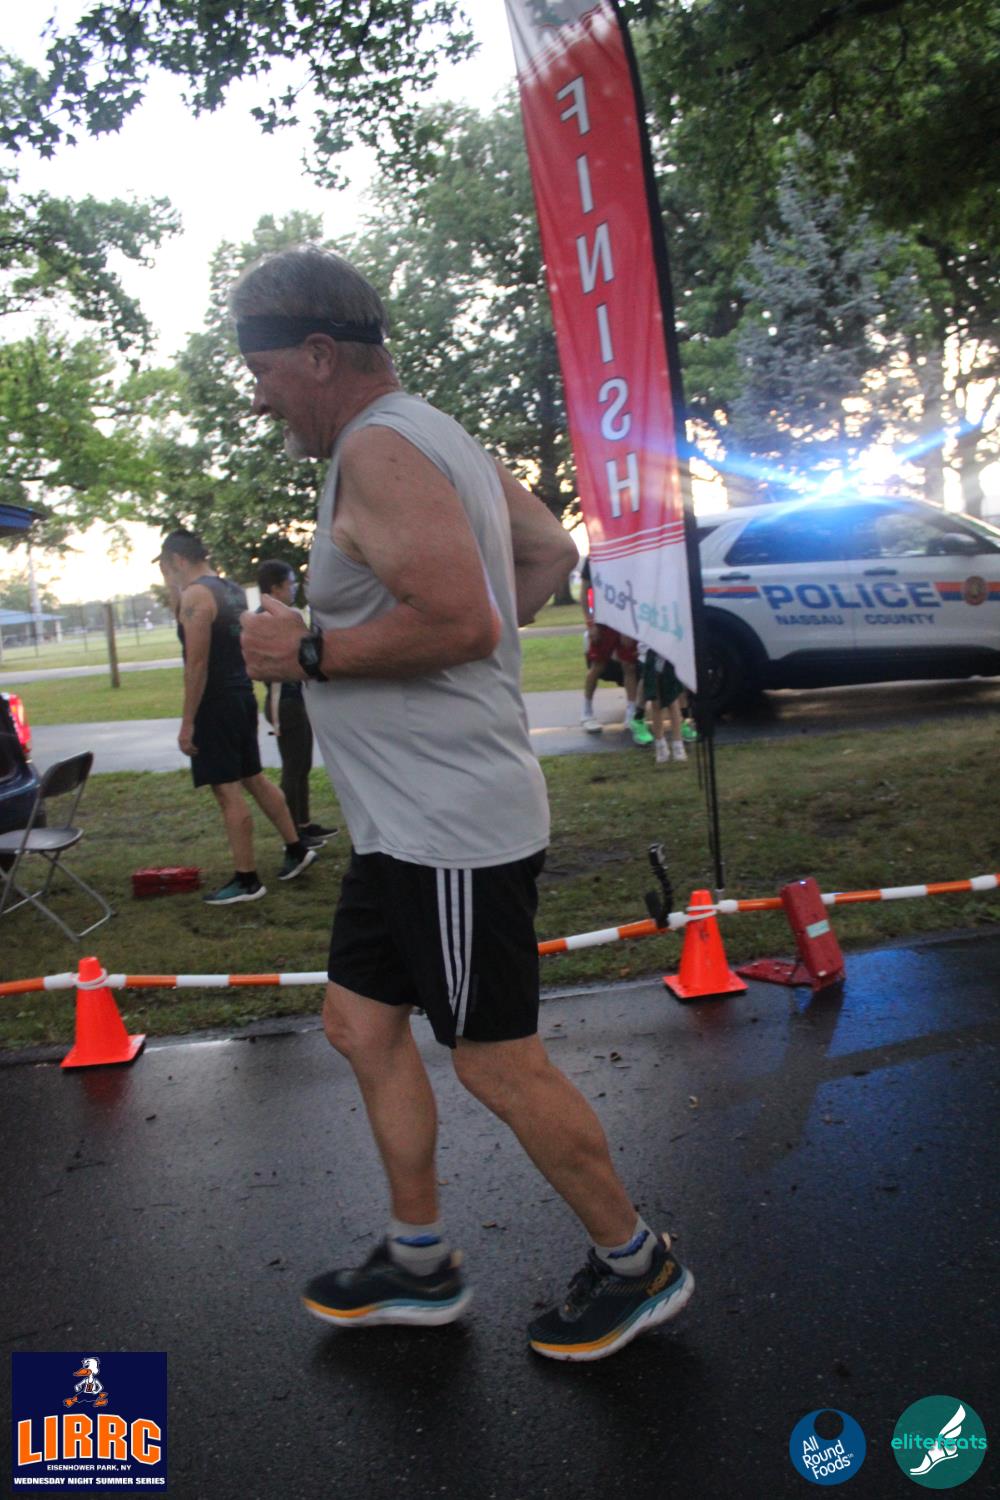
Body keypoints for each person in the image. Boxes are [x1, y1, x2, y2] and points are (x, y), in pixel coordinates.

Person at [234, 246, 694, 1361]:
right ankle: (418, 1259)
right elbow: (548, 550)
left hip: (449, 830)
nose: (258, 398)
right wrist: (448, 668)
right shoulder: (434, 433)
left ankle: (637, 1264)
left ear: (318, 353)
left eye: (261, 372)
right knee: (359, 1024)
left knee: (495, 1059)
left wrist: (309, 652)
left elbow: (464, 620)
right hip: (404, 827)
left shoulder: (376, 449)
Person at [156, 529, 318, 905]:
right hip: (241, 695)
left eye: (166, 566)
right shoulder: (229, 589)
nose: (166, 573)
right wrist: (171, 586)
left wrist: (188, 722)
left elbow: (196, 662)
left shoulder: (196, 595)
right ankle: (296, 848)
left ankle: (247, 879)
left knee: (227, 790)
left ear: (178, 560)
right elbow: (191, 624)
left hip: (215, 702)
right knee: (253, 778)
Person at [256, 559, 336, 848]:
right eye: (290, 584)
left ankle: (303, 823)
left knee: (302, 765)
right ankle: (293, 832)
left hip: (294, 699)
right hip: (284, 702)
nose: (293, 589)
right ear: (275, 587)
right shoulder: (268, 618)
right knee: (293, 767)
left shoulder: (281, 615)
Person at [578, 556, 649, 743]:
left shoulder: (627, 553)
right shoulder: (594, 557)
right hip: (602, 621)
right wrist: (590, 623)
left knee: (629, 666)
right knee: (598, 665)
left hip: (625, 619)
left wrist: (629, 625)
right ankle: (586, 712)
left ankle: (631, 713)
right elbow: (584, 592)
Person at [640, 645, 689, 766]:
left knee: (673, 702)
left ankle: (678, 745)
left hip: (669, 655)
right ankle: (660, 746)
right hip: (651, 656)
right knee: (656, 704)